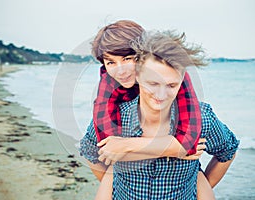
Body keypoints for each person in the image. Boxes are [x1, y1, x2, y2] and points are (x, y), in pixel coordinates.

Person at [80, 29, 239, 199]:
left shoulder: (202, 118)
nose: (161, 95)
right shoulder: (115, 116)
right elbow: (89, 151)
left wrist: (198, 185)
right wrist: (112, 181)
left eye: (171, 85)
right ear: (138, 76)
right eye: (153, 84)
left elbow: (228, 150)